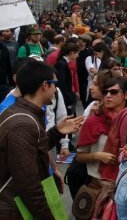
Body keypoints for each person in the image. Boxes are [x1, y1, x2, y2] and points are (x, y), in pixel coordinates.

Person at [0, 60, 83, 219]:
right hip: (12, 209)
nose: (56, 90)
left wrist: (57, 132)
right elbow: (29, 186)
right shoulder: (23, 124)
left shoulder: (20, 110)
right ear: (45, 85)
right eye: (55, 84)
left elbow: (32, 148)